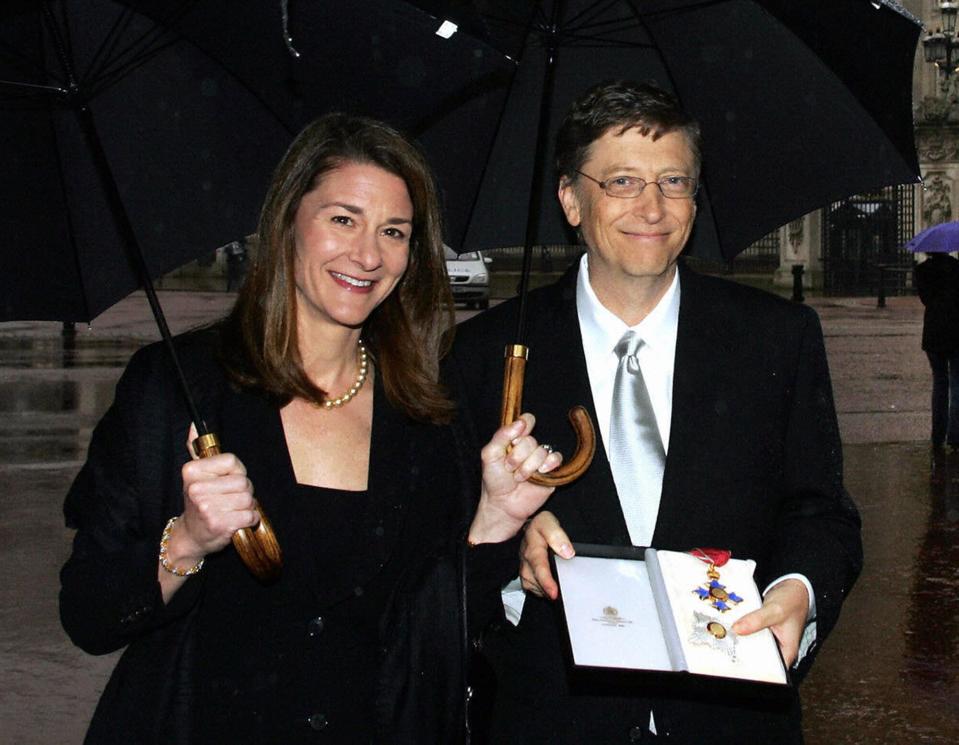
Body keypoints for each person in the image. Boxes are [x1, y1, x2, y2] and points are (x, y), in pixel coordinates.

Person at [59, 113, 560, 744]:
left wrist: (496, 521)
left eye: (394, 231)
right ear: (289, 220)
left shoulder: (429, 411)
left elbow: (434, 635)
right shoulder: (174, 387)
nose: (368, 254)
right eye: (343, 219)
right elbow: (88, 616)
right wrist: (185, 540)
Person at [448, 81, 863, 743]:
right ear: (569, 199)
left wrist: (798, 590)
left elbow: (820, 511)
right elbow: (443, 552)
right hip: (553, 717)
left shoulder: (774, 337)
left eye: (673, 180)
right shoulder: (486, 355)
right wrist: (505, 543)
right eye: (621, 182)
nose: (652, 207)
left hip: (730, 717)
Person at [915, 251, 959, 450]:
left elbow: (925, 299)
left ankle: (937, 434)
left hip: (933, 332)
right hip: (956, 330)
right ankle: (955, 434)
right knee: (957, 384)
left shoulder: (922, 270)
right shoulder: (957, 267)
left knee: (939, 383)